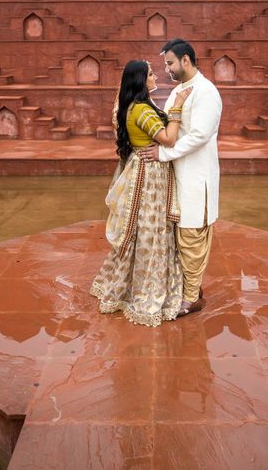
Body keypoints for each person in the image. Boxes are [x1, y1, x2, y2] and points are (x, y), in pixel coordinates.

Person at [90, 60, 192, 327]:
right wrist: (178, 107)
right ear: (139, 80)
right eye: (149, 73)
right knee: (152, 231)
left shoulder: (129, 107)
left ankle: (125, 287)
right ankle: (147, 292)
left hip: (142, 171)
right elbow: (168, 139)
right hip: (151, 177)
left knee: (139, 232)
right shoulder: (143, 110)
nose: (154, 75)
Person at [139, 39, 222, 317]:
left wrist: (163, 155)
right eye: (164, 65)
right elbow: (170, 127)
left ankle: (191, 298)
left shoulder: (206, 92)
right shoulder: (178, 91)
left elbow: (198, 136)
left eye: (170, 63)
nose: (166, 69)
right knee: (179, 236)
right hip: (177, 176)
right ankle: (189, 290)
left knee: (191, 236)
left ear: (185, 60)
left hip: (197, 177)